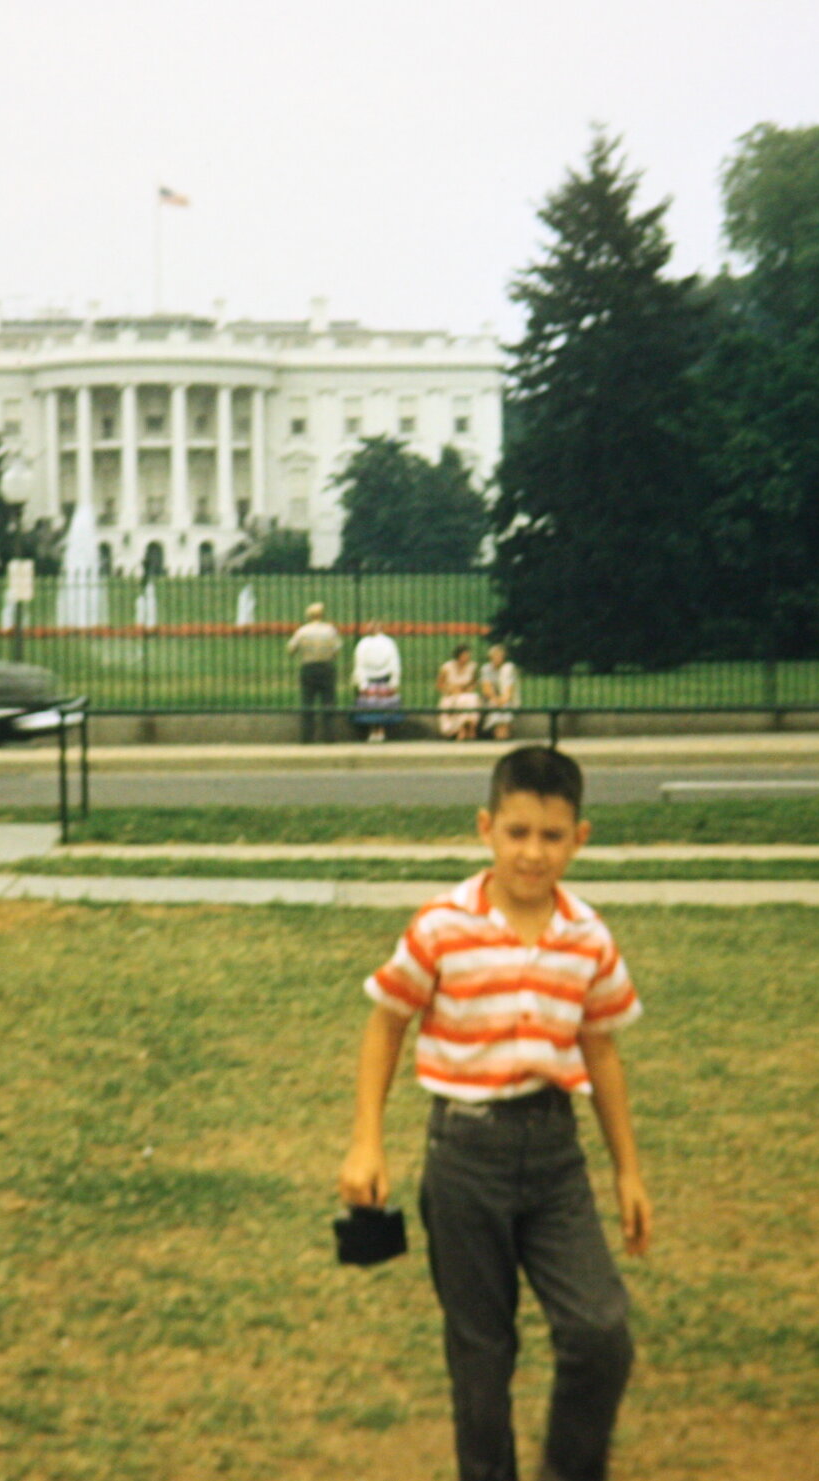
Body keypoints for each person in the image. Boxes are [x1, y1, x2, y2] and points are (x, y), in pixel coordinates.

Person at [340, 746, 649, 1481]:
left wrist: (629, 1170)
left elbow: (600, 1050)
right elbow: (387, 1022)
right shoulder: (443, 925)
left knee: (600, 1331)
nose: (533, 853)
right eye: (517, 832)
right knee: (481, 1356)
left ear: (581, 837)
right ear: (486, 827)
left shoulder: (589, 937)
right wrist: (365, 1143)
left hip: (554, 1159)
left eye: (551, 835)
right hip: (464, 1156)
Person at [286, 602, 344, 744]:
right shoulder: (330, 630)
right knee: (328, 703)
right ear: (322, 614)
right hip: (326, 667)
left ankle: (307, 737)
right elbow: (337, 650)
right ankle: (329, 737)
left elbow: (291, 649)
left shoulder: (302, 631)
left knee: (307, 703)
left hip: (308, 667)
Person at [352, 624, 404, 743]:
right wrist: (394, 681)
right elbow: (394, 663)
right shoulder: (388, 643)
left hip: (370, 680)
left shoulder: (363, 644)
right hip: (383, 680)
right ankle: (379, 730)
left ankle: (374, 730)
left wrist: (362, 683)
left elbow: (359, 664)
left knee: (372, 707)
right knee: (382, 707)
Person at [437, 643, 482, 741]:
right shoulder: (447, 667)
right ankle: (461, 729)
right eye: (464, 655)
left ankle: (469, 728)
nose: (467, 657)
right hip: (451, 695)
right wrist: (451, 690)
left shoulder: (472, 666)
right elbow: (439, 685)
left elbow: (474, 683)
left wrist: (466, 689)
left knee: (471, 699)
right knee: (462, 701)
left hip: (465, 694)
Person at [480, 644, 519, 742]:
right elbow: (486, 689)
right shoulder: (486, 668)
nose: (497, 658)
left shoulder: (508, 668)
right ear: (490, 657)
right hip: (491, 698)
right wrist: (496, 699)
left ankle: (504, 734)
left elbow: (510, 689)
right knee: (494, 706)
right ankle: (499, 734)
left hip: (506, 698)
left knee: (505, 705)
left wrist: (503, 700)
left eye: (500, 656)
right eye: (495, 656)